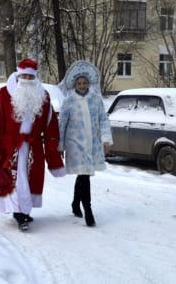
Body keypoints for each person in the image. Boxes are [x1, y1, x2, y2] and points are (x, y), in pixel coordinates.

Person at [0, 58, 65, 231]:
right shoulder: (3, 94)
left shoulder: (43, 96)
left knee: (31, 180)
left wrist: (52, 144)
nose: (27, 80)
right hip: (10, 147)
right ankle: (19, 213)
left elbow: (50, 124)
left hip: (34, 147)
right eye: (24, 76)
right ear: (18, 75)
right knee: (16, 180)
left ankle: (24, 210)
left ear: (35, 78)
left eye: (31, 77)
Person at [58, 60, 113, 227]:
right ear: (74, 84)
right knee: (84, 176)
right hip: (75, 145)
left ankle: (75, 203)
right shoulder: (68, 101)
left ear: (89, 83)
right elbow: (62, 124)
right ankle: (88, 211)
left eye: (84, 83)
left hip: (92, 143)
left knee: (84, 175)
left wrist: (105, 138)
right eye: (79, 83)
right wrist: (60, 145)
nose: (82, 85)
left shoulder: (96, 99)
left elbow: (103, 119)